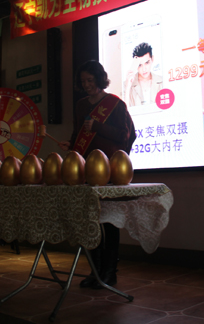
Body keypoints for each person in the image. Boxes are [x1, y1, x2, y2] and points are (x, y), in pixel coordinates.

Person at [58, 60, 136, 289]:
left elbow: (126, 135)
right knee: (90, 220)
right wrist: (71, 144)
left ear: (100, 79)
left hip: (109, 170)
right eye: (83, 81)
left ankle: (109, 272)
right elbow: (78, 133)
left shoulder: (115, 104)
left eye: (90, 80)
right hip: (87, 171)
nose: (86, 85)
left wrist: (98, 127)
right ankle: (95, 271)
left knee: (109, 222)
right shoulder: (81, 105)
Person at [123, 42, 163, 106]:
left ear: (152, 59)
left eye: (147, 63)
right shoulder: (127, 85)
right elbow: (124, 109)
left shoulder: (162, 81)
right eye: (140, 65)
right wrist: (128, 87)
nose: (144, 69)